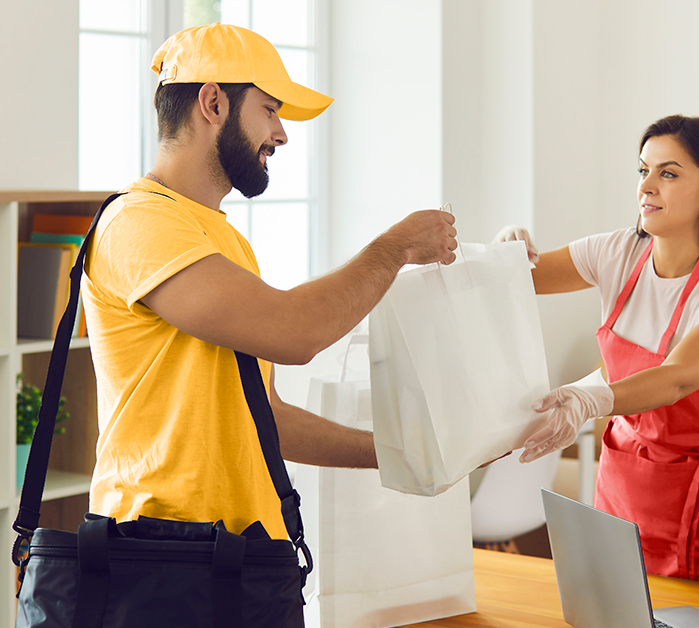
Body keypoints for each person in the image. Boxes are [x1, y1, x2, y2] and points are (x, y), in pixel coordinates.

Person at [81, 24, 457, 542]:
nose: (280, 134)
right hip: (159, 554)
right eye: (270, 110)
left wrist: (397, 453)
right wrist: (394, 249)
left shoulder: (223, 242)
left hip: (244, 556)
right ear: (213, 103)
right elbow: (294, 332)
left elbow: (264, 416)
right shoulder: (138, 223)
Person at [502, 115, 699, 588]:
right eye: (643, 171)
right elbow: (521, 279)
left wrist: (589, 400)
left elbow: (677, 378)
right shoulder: (619, 253)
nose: (647, 186)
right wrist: (505, 253)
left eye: (668, 173)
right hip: (622, 499)